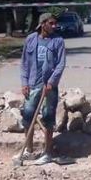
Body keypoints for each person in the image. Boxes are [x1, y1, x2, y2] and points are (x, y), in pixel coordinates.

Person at [20, 12, 66, 165]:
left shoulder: (58, 41)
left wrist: (51, 82)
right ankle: (29, 150)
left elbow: (60, 64)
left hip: (49, 87)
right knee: (28, 116)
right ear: (42, 24)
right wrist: (24, 83)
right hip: (32, 85)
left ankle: (47, 153)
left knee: (48, 118)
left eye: (55, 23)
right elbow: (24, 63)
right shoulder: (30, 39)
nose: (54, 26)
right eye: (51, 23)